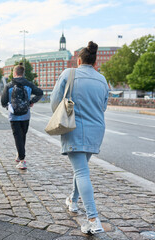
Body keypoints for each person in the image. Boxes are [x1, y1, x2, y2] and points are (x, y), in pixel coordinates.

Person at [50, 41, 109, 234]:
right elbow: (103, 105)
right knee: (81, 168)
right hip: (96, 130)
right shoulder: (102, 79)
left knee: (82, 173)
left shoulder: (69, 74)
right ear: (94, 61)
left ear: (79, 60)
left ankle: (93, 219)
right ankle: (73, 201)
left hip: (75, 128)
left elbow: (54, 101)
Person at [1, 63, 43, 170]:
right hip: (26, 115)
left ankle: (22, 160)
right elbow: (40, 93)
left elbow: (3, 102)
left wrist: (8, 106)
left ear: (14, 73)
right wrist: (31, 101)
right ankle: (20, 154)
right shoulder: (28, 84)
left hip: (13, 116)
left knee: (17, 136)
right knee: (22, 135)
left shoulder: (9, 85)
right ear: (22, 73)